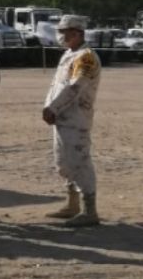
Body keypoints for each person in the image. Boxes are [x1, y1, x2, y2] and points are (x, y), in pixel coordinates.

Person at [42, 14, 102, 227]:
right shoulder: (70, 54)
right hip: (62, 118)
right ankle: (72, 204)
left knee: (79, 161)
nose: (61, 36)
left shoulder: (86, 57)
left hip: (76, 119)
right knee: (64, 162)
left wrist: (53, 108)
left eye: (64, 32)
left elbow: (75, 86)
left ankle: (89, 210)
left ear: (77, 33)